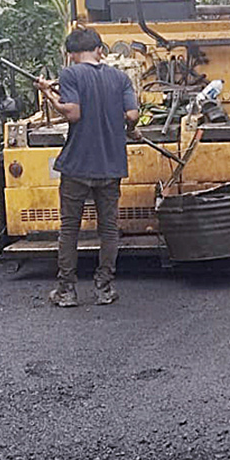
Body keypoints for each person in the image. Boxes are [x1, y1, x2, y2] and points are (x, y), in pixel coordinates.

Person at [38, 26, 139, 308]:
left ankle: (67, 291)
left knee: (70, 228)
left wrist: (48, 94)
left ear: (71, 55)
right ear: (100, 51)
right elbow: (132, 114)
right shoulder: (120, 78)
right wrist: (129, 129)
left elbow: (73, 112)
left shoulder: (71, 73)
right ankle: (105, 288)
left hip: (78, 165)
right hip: (111, 165)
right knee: (108, 229)